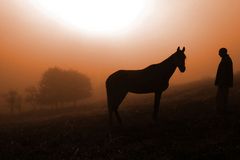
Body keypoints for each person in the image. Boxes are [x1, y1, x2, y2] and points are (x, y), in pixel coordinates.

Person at [215, 48, 233, 113]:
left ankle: (223, 110)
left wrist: (221, 82)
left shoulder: (226, 60)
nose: (219, 54)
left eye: (220, 52)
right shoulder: (225, 59)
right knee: (221, 96)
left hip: (223, 82)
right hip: (223, 82)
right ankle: (222, 109)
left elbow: (224, 73)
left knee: (222, 96)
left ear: (223, 53)